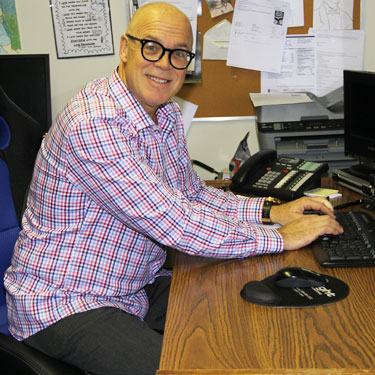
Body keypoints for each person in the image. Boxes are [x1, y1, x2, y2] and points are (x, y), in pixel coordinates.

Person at [4, 2, 343, 375]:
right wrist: (280, 238)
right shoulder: (94, 123)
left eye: (179, 53)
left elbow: (191, 195)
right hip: (67, 302)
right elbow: (178, 224)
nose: (165, 63)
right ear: (125, 48)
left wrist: (271, 211)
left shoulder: (163, 113)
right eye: (152, 46)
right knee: (190, 369)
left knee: (257, 305)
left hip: (135, 285)